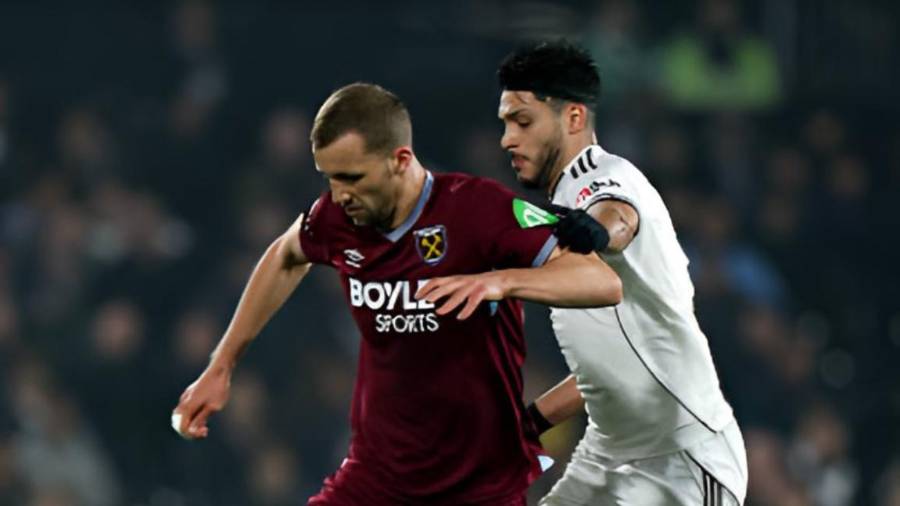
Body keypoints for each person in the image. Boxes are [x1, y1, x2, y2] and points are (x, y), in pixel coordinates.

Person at [171, 82, 624, 505]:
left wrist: (500, 281)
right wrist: (222, 365)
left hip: (476, 482)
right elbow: (287, 254)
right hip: (376, 475)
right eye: (329, 178)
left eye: (352, 177)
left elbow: (600, 281)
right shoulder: (338, 217)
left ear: (401, 160)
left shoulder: (478, 209)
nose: (339, 195)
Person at [432, 41, 749, 505]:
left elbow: (617, 215)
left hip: (680, 457)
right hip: (609, 452)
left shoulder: (604, 177)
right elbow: (606, 366)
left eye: (523, 122)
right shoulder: (561, 203)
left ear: (574, 119)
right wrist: (530, 423)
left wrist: (592, 235)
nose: (507, 139)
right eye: (505, 124)